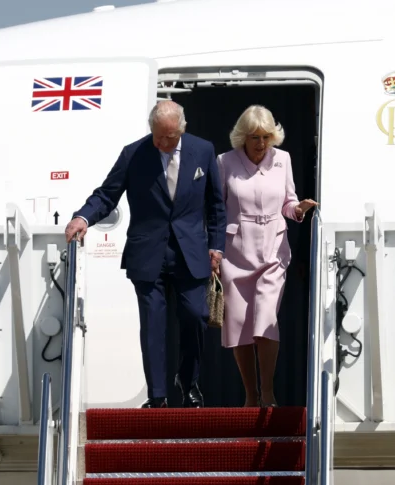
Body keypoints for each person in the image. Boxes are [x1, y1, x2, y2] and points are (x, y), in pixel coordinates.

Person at [65, 100, 226, 408]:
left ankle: (188, 380)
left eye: (168, 137)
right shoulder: (133, 153)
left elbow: (216, 204)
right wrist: (83, 217)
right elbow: (107, 194)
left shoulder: (203, 150)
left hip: (190, 252)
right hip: (148, 253)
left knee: (195, 316)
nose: (161, 143)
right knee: (152, 324)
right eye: (156, 135)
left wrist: (216, 246)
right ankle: (158, 395)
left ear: (181, 130)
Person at [217, 105, 317, 408]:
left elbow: (287, 203)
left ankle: (269, 391)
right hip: (236, 252)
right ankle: (251, 395)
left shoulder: (282, 159)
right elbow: (216, 209)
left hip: (273, 250)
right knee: (239, 325)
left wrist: (298, 210)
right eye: (255, 137)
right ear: (243, 138)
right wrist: (213, 250)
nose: (261, 143)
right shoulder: (224, 162)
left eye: (266, 137)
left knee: (266, 319)